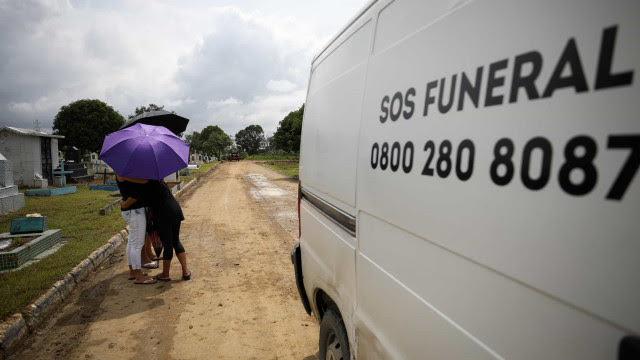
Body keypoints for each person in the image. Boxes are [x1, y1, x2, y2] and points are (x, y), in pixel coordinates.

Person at [119, 177, 191, 281]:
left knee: (168, 245)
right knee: (176, 241)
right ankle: (186, 272)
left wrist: (122, 202)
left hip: (163, 214)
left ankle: (165, 274)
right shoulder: (160, 179)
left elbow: (134, 198)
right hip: (175, 209)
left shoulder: (146, 182)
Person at [116, 174, 157, 285]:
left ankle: (133, 272)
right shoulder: (123, 172)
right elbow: (144, 181)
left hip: (132, 210)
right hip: (135, 211)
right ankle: (138, 276)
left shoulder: (124, 172)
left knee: (132, 242)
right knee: (137, 244)